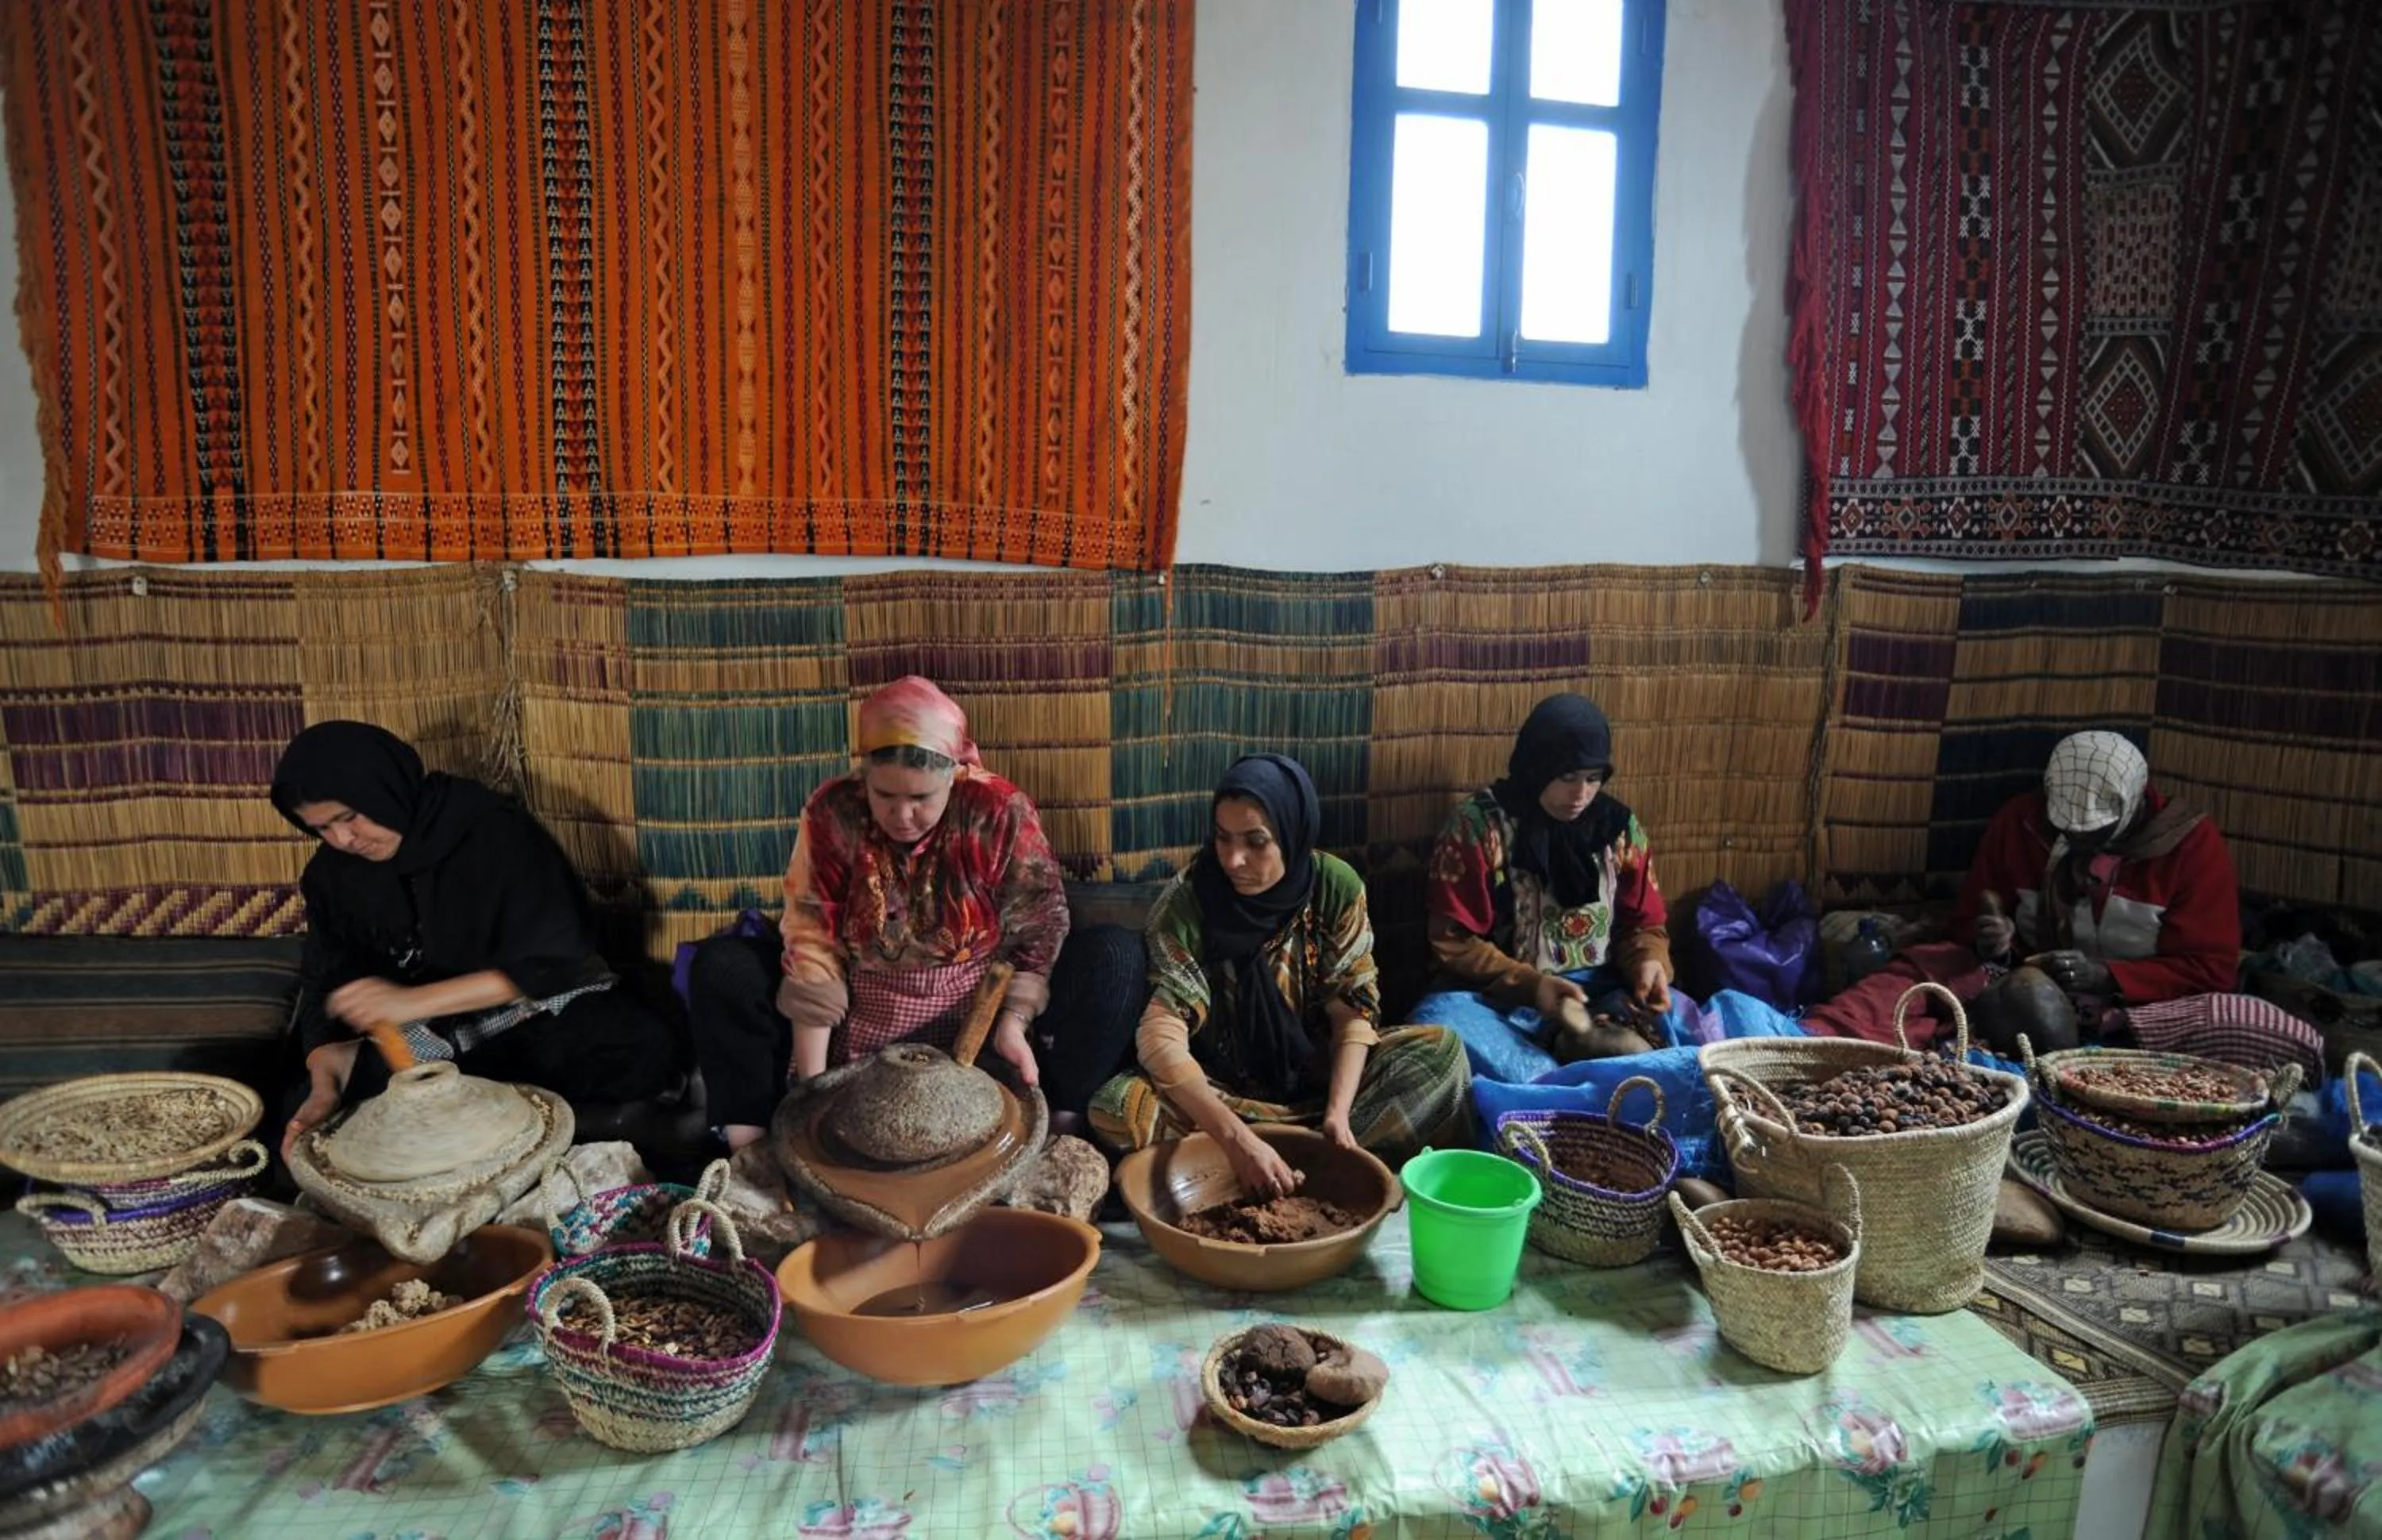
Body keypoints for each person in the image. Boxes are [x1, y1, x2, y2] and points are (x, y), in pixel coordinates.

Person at [685, 677, 1144, 1151]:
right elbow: (812, 933)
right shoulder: (834, 810)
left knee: (1116, 956)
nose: (902, 815)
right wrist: (812, 1091)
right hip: (861, 1013)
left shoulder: (997, 810)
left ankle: (1061, 1136)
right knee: (723, 967)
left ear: (954, 773)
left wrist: (1011, 1023)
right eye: (885, 795)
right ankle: (750, 1151)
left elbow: (1039, 924)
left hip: (977, 1013)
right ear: (865, 776)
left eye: (921, 799)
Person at [273, 721, 680, 1157]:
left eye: (348, 817)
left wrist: (411, 1002)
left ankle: (513, 1136)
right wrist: (326, 1078)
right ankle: (520, 1132)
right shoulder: (331, 875)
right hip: (430, 1045)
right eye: (321, 829)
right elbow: (324, 977)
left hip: (528, 1015)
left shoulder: (490, 830)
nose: (343, 840)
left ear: (382, 789)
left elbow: (554, 959)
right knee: (299, 1111)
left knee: (636, 1044)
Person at [1807, 731, 2322, 1076]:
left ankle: (2095, 1067)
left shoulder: (2190, 846)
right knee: (1914, 976)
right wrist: (1995, 937)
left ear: (2132, 808)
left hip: (2140, 1010)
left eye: (2091, 833)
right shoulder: (2020, 822)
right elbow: (1973, 924)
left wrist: (2108, 977)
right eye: (2064, 831)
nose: (2074, 843)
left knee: (2248, 1020)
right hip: (2014, 986)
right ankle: (1806, 1043)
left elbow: (2209, 969)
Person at [1087, 753, 1472, 1195]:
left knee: (1442, 1054)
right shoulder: (1189, 901)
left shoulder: (1335, 888)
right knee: (1118, 1108)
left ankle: (1290, 1160)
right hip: (1225, 1097)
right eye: (1223, 838)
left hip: (1321, 1089)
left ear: (1293, 835)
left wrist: (1338, 1114)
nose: (1233, 860)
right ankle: (1288, 1166)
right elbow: (1160, 1035)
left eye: (1256, 841)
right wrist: (1236, 1138)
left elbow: (1353, 1014)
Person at [1412, 693, 1678, 1084]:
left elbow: (1643, 925)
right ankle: (1557, 1075)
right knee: (1440, 1027)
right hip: (1500, 1003)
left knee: (1685, 1031)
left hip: (1599, 993)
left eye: (1593, 778)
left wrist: (1648, 963)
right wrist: (1533, 988)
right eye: (1567, 777)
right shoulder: (1479, 827)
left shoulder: (1618, 828)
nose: (1581, 795)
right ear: (1537, 767)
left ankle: (1583, 1058)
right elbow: (1453, 941)